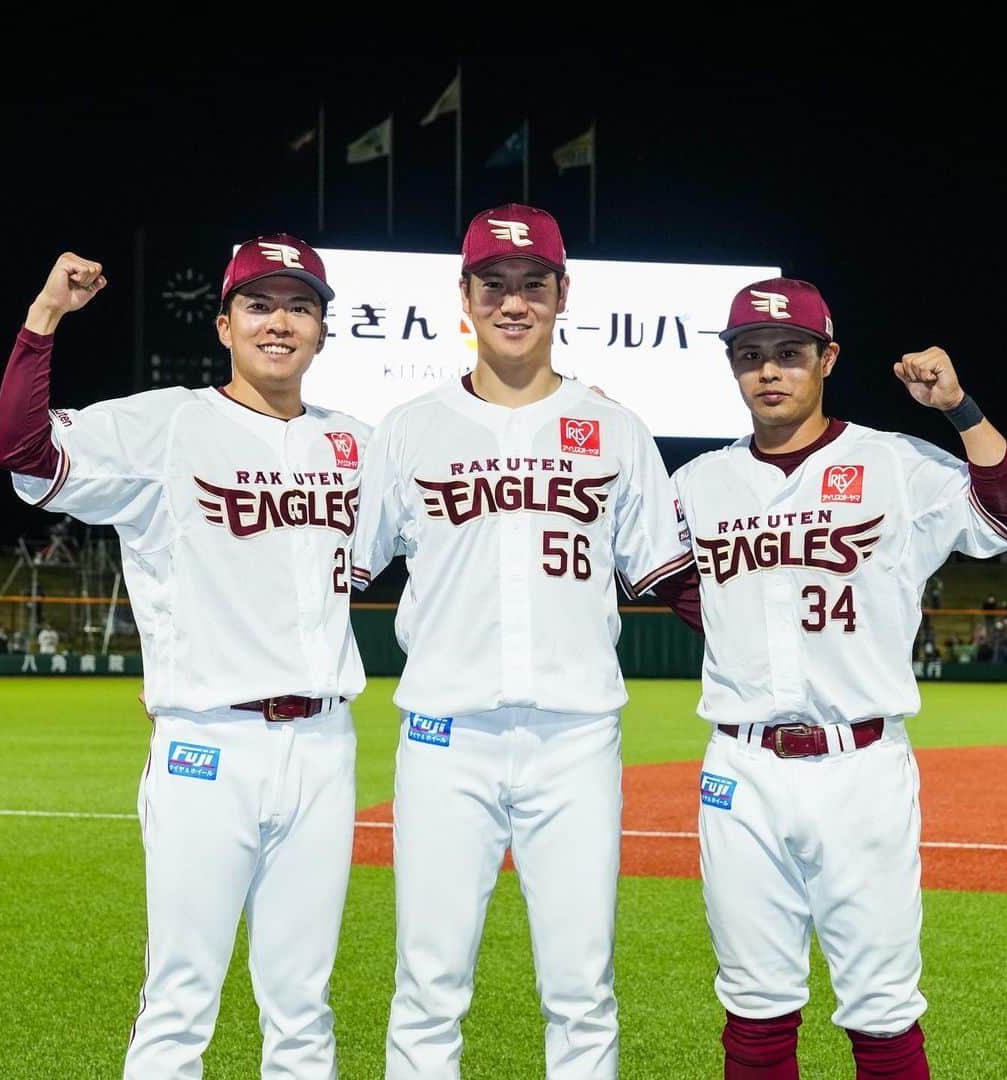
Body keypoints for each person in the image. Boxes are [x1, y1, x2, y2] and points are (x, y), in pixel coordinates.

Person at [0, 234, 370, 1079]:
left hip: (324, 746)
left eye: (300, 306)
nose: (280, 322)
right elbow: (22, 451)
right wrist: (46, 316)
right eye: (260, 304)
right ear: (224, 323)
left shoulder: (356, 442)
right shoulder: (167, 424)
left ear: (322, 329)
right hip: (210, 745)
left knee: (303, 1011)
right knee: (180, 1001)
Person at [351, 202, 695, 1080]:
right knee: (429, 982)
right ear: (462, 296)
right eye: (493, 284)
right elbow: (333, 573)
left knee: (581, 988)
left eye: (532, 284)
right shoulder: (407, 428)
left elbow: (675, 580)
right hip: (442, 739)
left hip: (576, 739)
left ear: (562, 293)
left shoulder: (616, 428)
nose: (513, 301)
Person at [667, 277, 1007, 1078]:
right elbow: (661, 576)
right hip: (741, 769)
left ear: (827, 358)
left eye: (790, 354)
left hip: (861, 764)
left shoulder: (891, 461)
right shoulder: (699, 482)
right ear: (733, 368)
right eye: (750, 356)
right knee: (754, 1005)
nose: (770, 371)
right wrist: (749, 639)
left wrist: (959, 407)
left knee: (881, 1008)